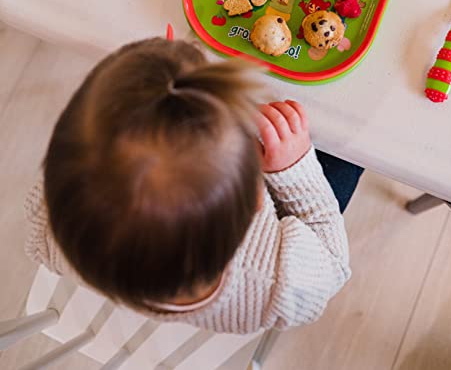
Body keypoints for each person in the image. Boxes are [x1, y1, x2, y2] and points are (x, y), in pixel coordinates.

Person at [25, 37, 362, 334]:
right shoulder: (284, 284)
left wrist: (160, 74)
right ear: (257, 197)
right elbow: (333, 262)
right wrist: (294, 170)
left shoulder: (53, 227)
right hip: (279, 257)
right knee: (352, 146)